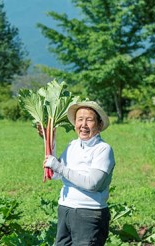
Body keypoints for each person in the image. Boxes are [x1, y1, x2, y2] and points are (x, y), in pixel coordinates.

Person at [43, 101, 115, 246]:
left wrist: (58, 166)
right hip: (65, 209)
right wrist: (51, 143)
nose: (83, 125)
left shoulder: (103, 149)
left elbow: (92, 183)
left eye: (89, 120)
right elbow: (57, 174)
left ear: (99, 125)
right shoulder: (73, 145)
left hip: (89, 212)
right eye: (80, 119)